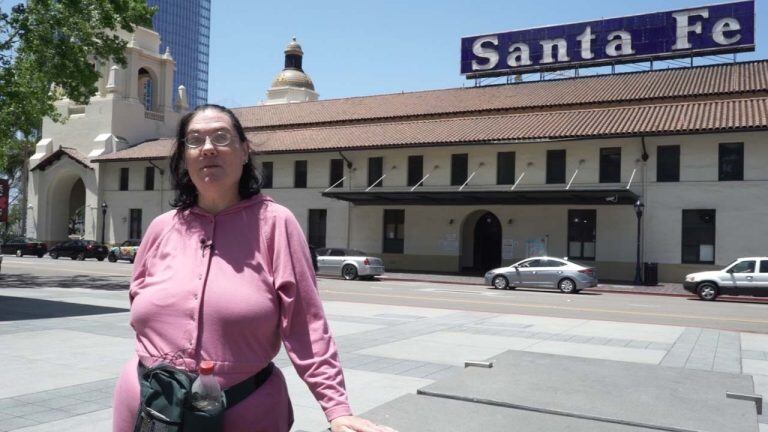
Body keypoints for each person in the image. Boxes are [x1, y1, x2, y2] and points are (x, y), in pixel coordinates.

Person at [112, 104, 396, 432]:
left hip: (245, 409)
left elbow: (306, 324)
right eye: (194, 140)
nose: (207, 148)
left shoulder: (276, 224)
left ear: (245, 151)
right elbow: (138, 298)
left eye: (221, 137)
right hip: (149, 405)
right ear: (184, 156)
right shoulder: (161, 228)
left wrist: (337, 408)